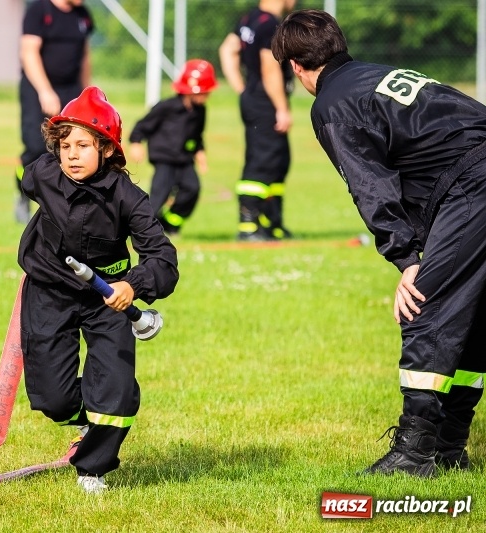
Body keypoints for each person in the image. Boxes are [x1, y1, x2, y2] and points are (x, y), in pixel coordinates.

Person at [272, 9, 486, 477]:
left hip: (474, 186)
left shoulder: (332, 102)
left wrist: (407, 259)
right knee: (470, 319)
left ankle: (414, 453)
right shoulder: (377, 75)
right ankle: (449, 448)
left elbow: (370, 185)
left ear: (294, 66)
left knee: (424, 308)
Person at [17, 87, 179, 492]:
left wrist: (133, 284)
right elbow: (30, 180)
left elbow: (163, 260)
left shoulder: (130, 199)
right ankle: (85, 418)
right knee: (52, 398)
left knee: (116, 391)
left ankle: (93, 467)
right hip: (49, 291)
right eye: (65, 144)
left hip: (108, 299)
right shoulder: (43, 174)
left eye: (84, 145)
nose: (71, 154)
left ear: (107, 149)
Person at [219, 0, 297, 241]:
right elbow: (269, 68)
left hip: (255, 97)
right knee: (262, 159)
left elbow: (227, 50)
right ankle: (249, 225)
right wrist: (281, 108)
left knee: (279, 159)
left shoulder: (250, 19)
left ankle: (271, 222)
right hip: (266, 101)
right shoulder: (271, 25)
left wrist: (242, 89)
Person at [14, 0, 94, 224]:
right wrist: (45, 91)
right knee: (36, 148)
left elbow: (85, 56)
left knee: (68, 148)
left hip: (70, 89)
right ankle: (23, 192)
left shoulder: (82, 14)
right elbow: (28, 53)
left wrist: (87, 94)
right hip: (38, 87)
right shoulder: (39, 11)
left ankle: (63, 206)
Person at [128, 59, 218, 236]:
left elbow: (197, 135)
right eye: (204, 93)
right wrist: (136, 142)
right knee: (159, 197)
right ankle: (141, 231)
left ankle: (169, 224)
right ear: (190, 91)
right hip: (165, 160)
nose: (206, 97)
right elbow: (142, 126)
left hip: (185, 159)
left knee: (192, 189)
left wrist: (200, 153)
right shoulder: (166, 107)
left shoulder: (200, 111)